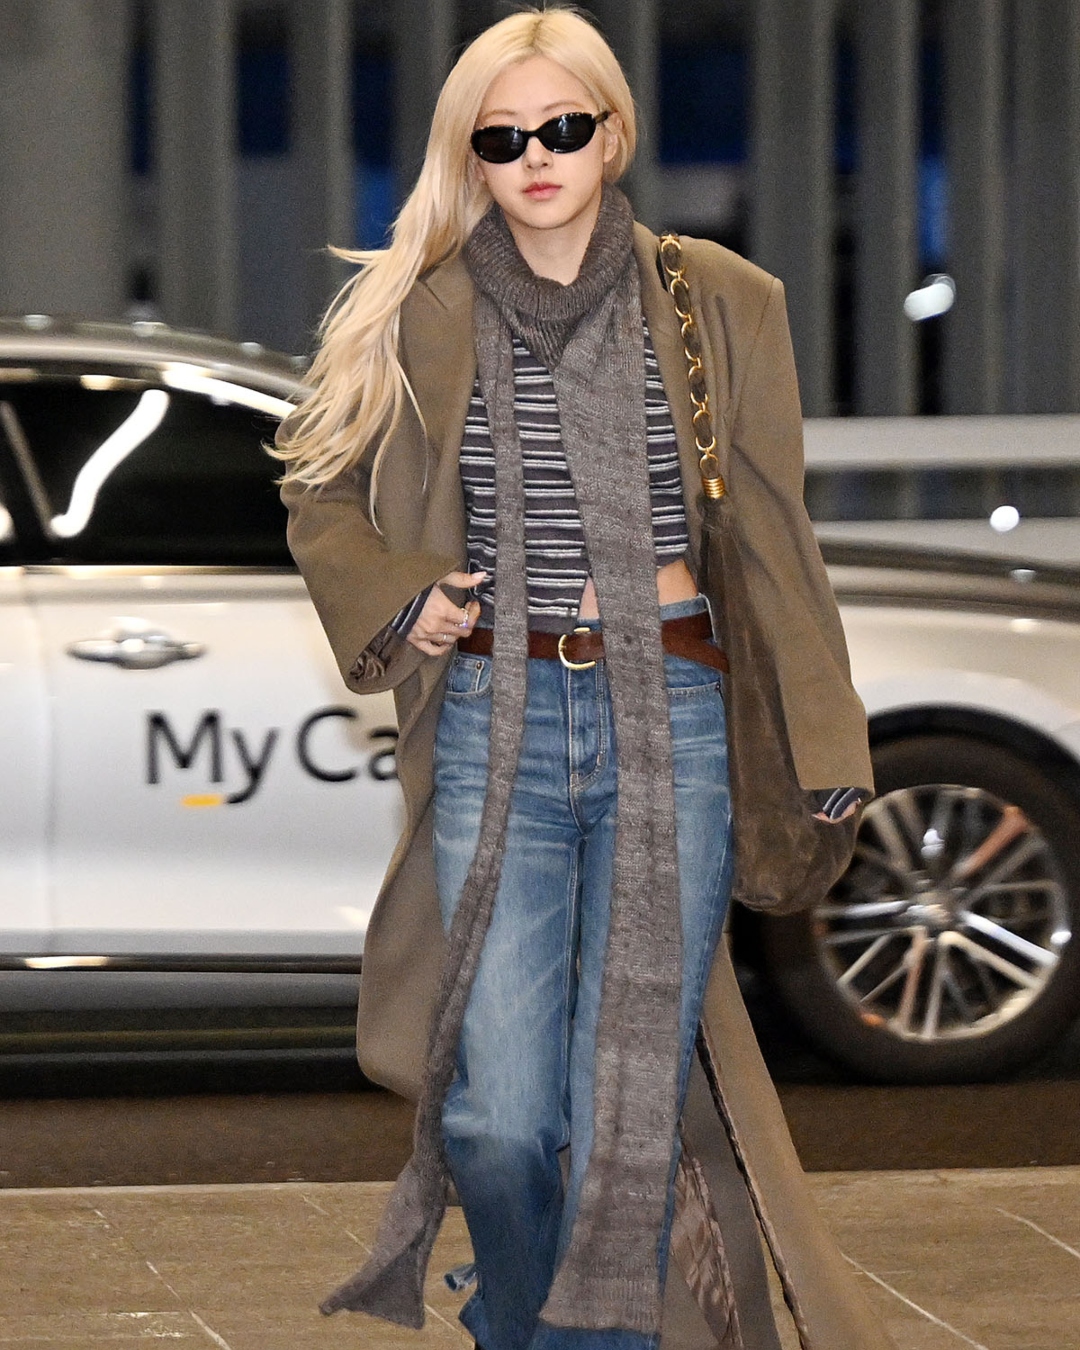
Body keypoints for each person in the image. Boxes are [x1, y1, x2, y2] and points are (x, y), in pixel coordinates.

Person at [275, 9, 892, 1350]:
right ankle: (517, 1310)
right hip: (496, 715)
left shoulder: (721, 299)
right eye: (502, 138)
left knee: (625, 1115)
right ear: (473, 158)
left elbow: (773, 533)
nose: (536, 156)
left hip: (674, 712)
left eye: (562, 126)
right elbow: (319, 492)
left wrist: (826, 734)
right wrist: (401, 595)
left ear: (612, 134)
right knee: (500, 1117)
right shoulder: (416, 307)